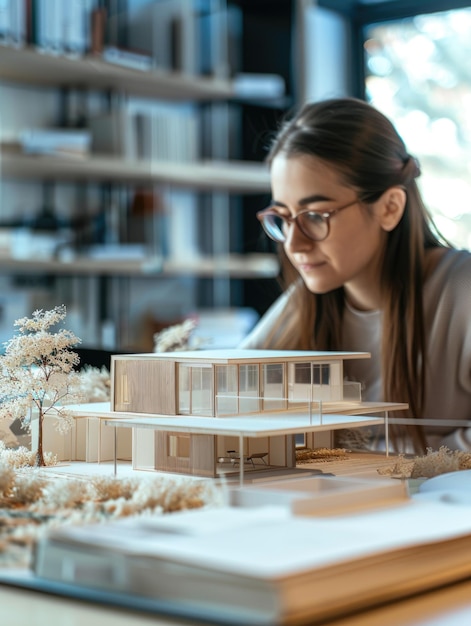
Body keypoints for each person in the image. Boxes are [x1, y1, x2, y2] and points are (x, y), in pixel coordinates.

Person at [240, 97, 471, 454]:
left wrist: (380, 464)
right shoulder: (311, 297)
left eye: (316, 215)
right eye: (283, 218)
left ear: (389, 208)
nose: (294, 244)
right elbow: (226, 396)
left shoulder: (461, 288)